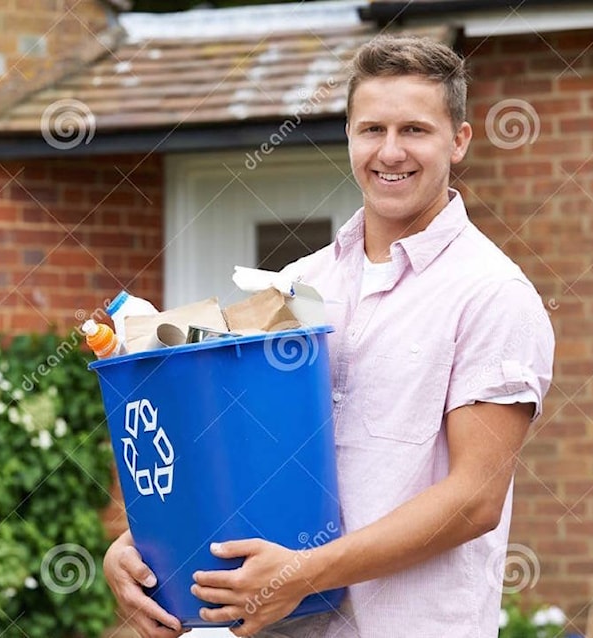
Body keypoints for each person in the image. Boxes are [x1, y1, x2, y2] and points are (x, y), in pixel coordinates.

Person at [102, 34, 555, 638]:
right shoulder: (295, 284)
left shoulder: (492, 294)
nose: (390, 152)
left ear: (460, 140)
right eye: (371, 129)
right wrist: (141, 545)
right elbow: (229, 451)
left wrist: (304, 573)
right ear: (348, 136)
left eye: (415, 130)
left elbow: (474, 500)